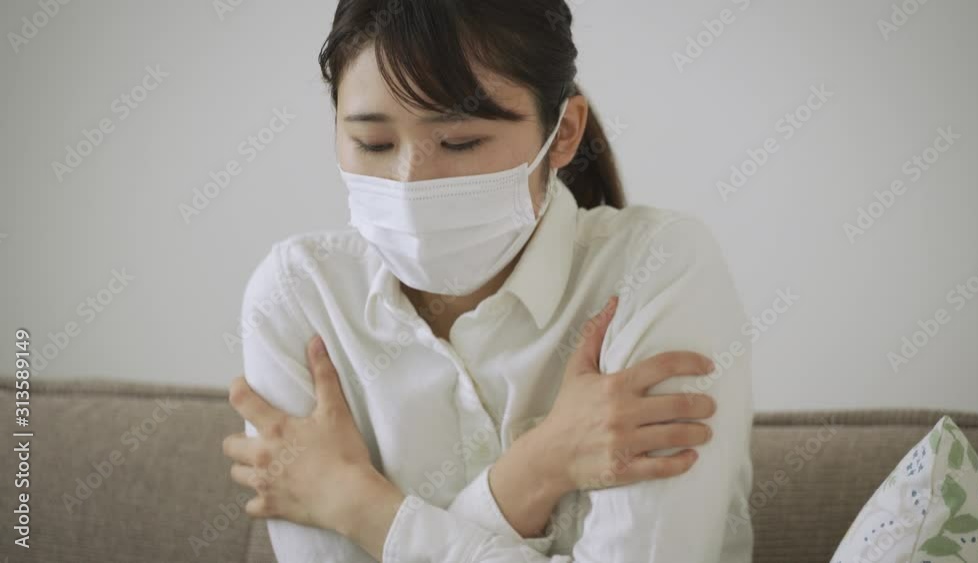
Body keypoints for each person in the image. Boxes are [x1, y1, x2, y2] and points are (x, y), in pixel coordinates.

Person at [221, 1, 754, 561]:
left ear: (564, 133)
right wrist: (537, 470)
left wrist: (357, 506)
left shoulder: (658, 268)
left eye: (461, 142)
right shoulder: (299, 296)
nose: (410, 183)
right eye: (374, 144)